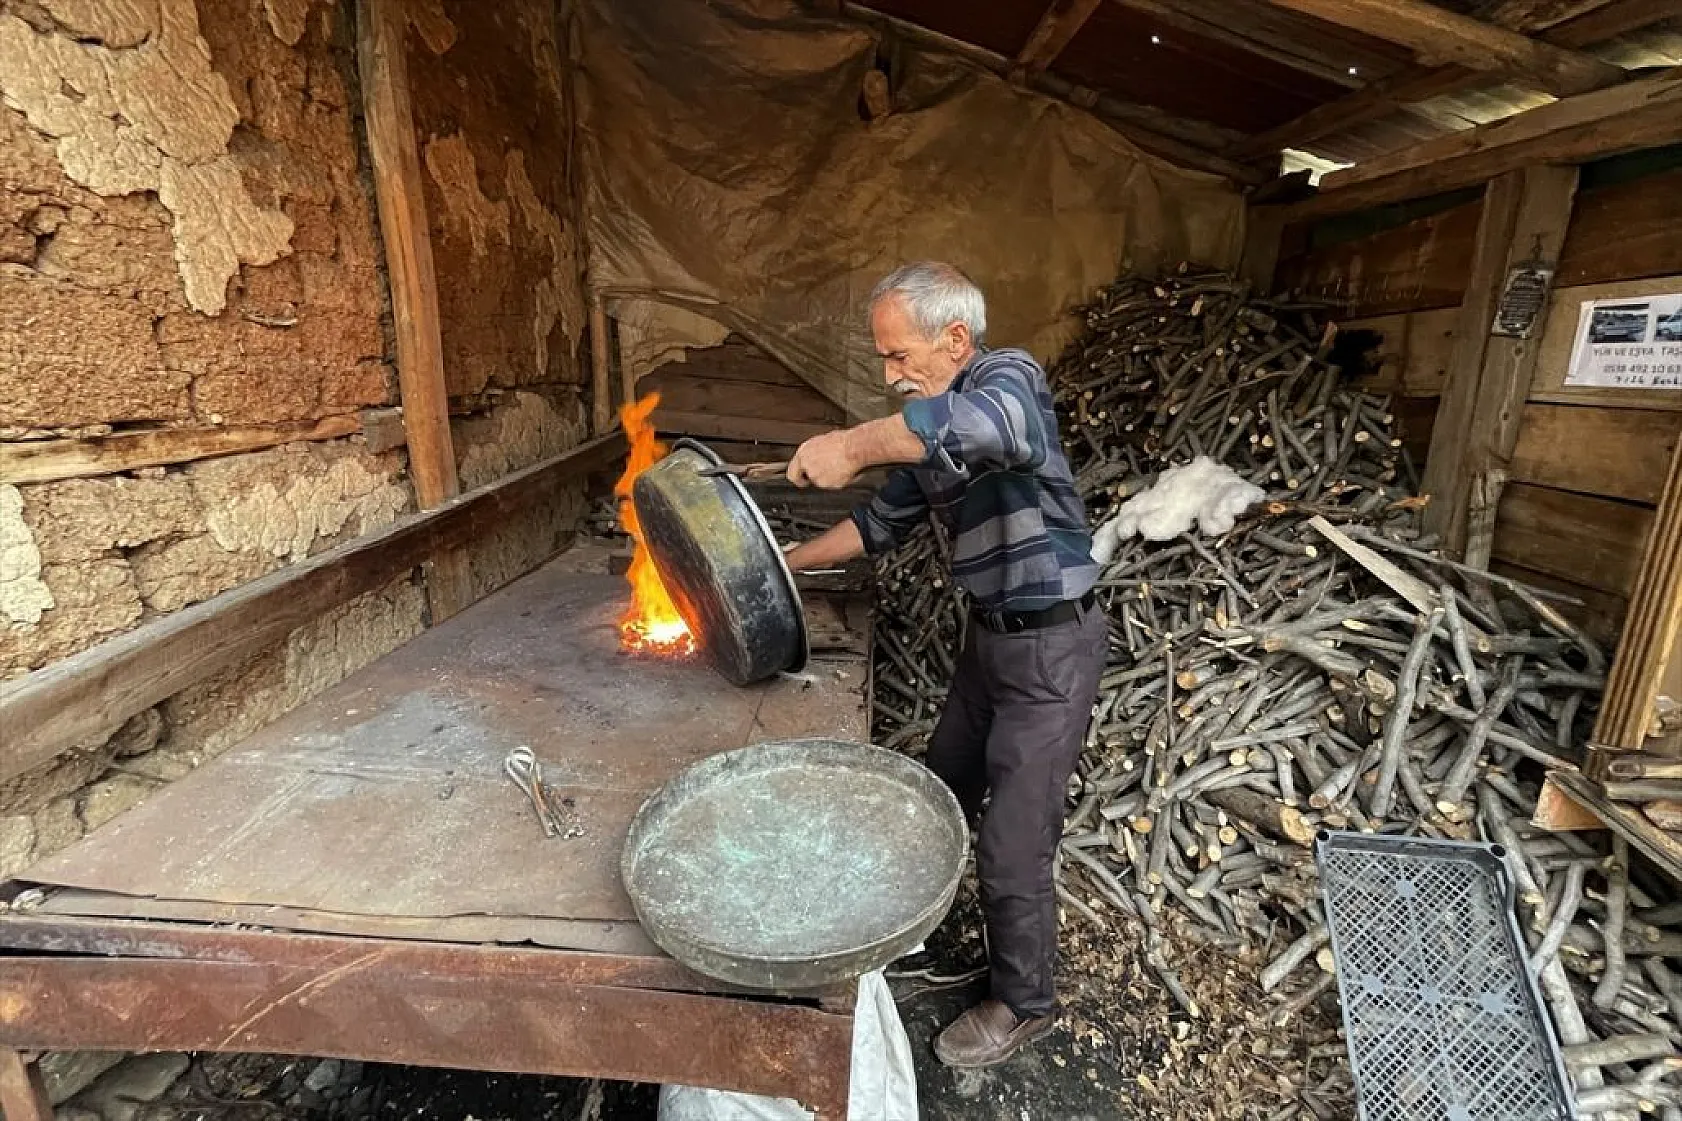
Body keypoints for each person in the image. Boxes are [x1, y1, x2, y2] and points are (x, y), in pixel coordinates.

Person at [783, 261, 1105, 1068]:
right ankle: (922, 932)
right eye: (884, 360)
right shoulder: (931, 429)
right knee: (942, 790)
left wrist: (851, 443)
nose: (891, 376)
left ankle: (1026, 1001)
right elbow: (877, 523)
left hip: (1053, 647)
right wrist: (783, 564)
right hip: (988, 640)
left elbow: (989, 428)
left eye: (898, 356)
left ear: (955, 338)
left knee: (1013, 840)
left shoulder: (1008, 380)